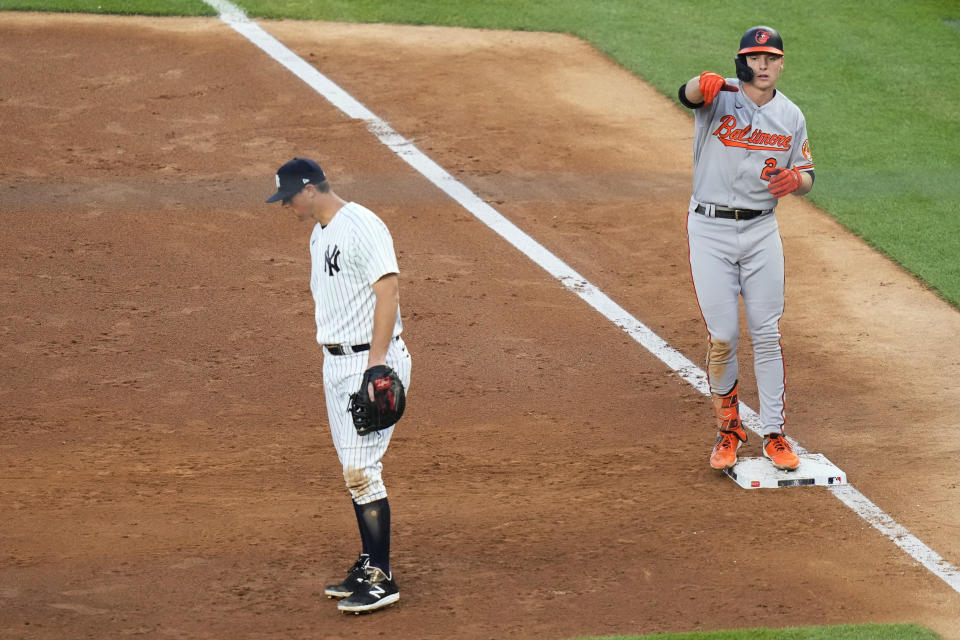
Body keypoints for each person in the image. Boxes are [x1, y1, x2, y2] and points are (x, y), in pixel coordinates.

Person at [266, 157, 411, 613]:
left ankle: (382, 577)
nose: (286, 205)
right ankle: (369, 560)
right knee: (353, 466)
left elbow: (388, 290)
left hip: (368, 362)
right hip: (336, 364)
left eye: (289, 197)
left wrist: (376, 364)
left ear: (310, 189)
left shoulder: (361, 225)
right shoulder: (319, 234)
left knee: (361, 471)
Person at [677, 26, 815, 472]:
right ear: (742, 60)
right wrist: (703, 82)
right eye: (754, 57)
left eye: (771, 57)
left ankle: (774, 433)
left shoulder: (791, 115)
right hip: (710, 230)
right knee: (724, 338)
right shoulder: (720, 97)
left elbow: (807, 173)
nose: (763, 65)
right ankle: (729, 428)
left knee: (767, 334)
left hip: (761, 233)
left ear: (781, 63)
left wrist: (797, 181)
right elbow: (688, 94)